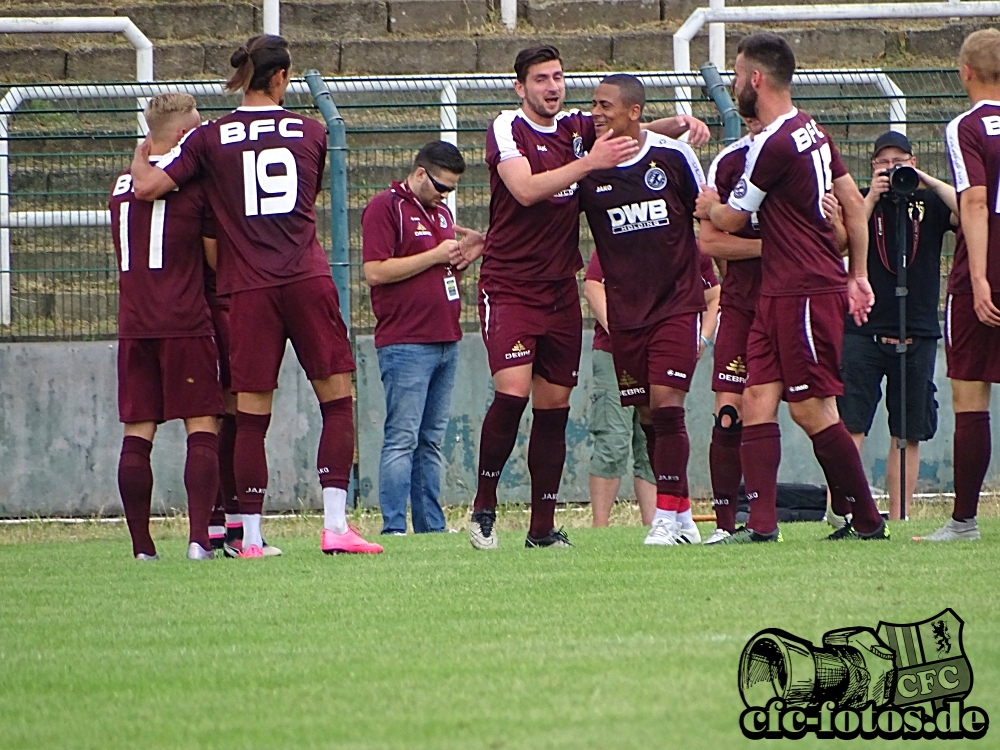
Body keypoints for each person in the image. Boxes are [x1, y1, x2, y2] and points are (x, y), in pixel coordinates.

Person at [130, 35, 382, 556]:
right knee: (336, 402)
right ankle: (335, 527)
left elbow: (149, 188)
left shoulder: (210, 138)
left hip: (247, 287)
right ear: (283, 77)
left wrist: (139, 155)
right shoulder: (312, 131)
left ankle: (250, 537)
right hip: (305, 278)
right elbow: (302, 204)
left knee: (250, 416)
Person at [463, 44, 710, 550]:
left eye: (557, 77)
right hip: (510, 286)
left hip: (558, 288)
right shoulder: (508, 127)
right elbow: (526, 191)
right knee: (511, 395)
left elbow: (625, 131)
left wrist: (679, 121)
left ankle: (541, 529)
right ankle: (484, 506)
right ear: (520, 87)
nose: (552, 87)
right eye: (540, 79)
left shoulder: (580, 129)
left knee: (554, 409)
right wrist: (588, 163)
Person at [696, 32, 889, 543]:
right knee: (756, 395)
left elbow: (734, 221)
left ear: (755, 79)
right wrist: (859, 274)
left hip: (804, 290)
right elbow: (852, 198)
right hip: (780, 292)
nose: (734, 84)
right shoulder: (812, 130)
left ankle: (868, 520)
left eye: (737, 75)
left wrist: (708, 206)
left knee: (811, 409)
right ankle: (761, 527)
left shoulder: (774, 143)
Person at [578, 73, 709, 546]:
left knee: (667, 404)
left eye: (606, 104)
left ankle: (665, 519)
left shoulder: (673, 156)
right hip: (625, 315)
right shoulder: (588, 167)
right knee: (651, 416)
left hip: (677, 302)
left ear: (633, 111)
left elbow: (707, 211)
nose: (596, 111)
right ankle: (685, 517)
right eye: (593, 103)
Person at [110, 93, 223, 561]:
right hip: (185, 320)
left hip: (135, 323)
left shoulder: (119, 187)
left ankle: (142, 548)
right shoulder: (196, 188)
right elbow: (215, 259)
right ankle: (199, 540)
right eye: (196, 129)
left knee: (138, 431)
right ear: (181, 136)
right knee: (202, 425)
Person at [361, 141, 484, 535]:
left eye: (450, 189)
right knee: (402, 438)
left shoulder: (441, 212)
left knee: (430, 439)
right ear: (418, 173)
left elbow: (442, 273)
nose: (445, 194)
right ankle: (394, 526)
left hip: (445, 336)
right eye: (440, 185)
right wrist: (434, 255)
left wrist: (461, 260)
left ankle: (431, 525)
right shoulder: (386, 207)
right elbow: (376, 272)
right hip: (406, 340)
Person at [837, 131, 957, 522]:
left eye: (898, 161)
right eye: (883, 162)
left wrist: (926, 182)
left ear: (913, 161)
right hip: (863, 328)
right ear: (872, 166)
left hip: (917, 328)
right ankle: (844, 512)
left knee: (907, 432)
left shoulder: (929, 202)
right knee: (850, 425)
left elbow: (971, 210)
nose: (891, 169)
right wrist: (871, 196)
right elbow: (839, 241)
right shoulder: (860, 203)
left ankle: (900, 515)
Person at [916, 28, 1000, 542]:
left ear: (965, 72)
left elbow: (974, 200)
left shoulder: (966, 126)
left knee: (971, 397)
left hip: (985, 274)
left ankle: (964, 521)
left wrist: (978, 276)